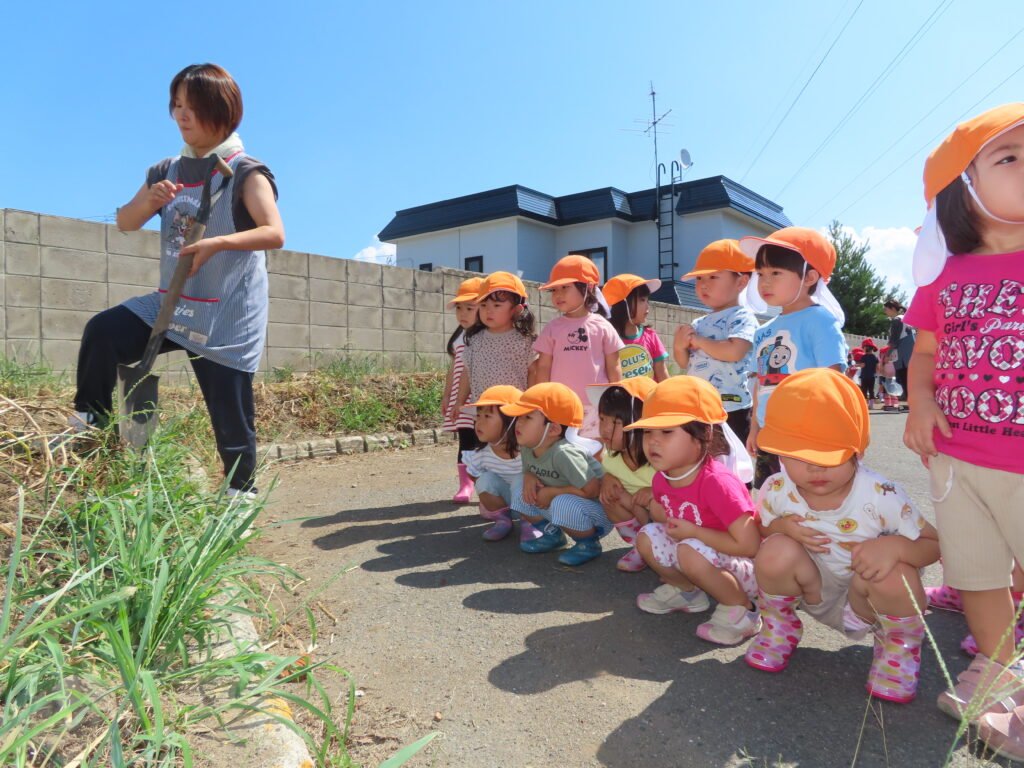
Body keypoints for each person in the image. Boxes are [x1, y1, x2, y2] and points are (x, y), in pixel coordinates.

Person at [73, 63, 284, 495]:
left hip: (226, 313)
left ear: (222, 110)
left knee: (230, 414)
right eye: (176, 105)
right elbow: (126, 222)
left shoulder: (246, 171)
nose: (180, 115)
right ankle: (89, 426)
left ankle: (239, 498)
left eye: (192, 106)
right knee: (103, 332)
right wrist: (149, 200)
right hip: (174, 302)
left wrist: (216, 244)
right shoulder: (165, 170)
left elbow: (274, 232)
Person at [902, 103, 1024, 758]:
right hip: (954, 458)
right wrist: (919, 404)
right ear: (962, 190)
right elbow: (923, 355)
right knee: (977, 574)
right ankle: (1001, 677)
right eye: (1010, 156)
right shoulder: (942, 277)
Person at [746, 369, 939, 704]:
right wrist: (782, 528)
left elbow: (934, 544)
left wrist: (894, 547)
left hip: (869, 599)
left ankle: (899, 649)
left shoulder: (880, 494)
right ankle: (779, 626)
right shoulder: (777, 488)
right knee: (774, 549)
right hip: (814, 592)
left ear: (857, 450)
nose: (814, 468)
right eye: (798, 456)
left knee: (897, 574)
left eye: (828, 455)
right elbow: (761, 527)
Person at [629, 376, 762, 645]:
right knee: (647, 536)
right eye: (648, 432)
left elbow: (750, 545)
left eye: (666, 432)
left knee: (688, 549)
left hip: (744, 568)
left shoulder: (718, 483)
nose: (653, 442)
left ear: (705, 435)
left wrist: (694, 533)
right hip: (698, 554)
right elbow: (671, 521)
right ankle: (687, 591)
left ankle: (742, 610)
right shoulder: (662, 478)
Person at [741, 227, 848, 488]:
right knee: (771, 498)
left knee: (809, 499)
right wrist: (755, 427)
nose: (764, 282)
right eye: (760, 274)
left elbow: (833, 379)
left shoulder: (820, 321)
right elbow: (761, 383)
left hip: (807, 434)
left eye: (776, 273)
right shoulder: (763, 330)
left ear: (810, 276)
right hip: (770, 433)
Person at [504, 383, 611, 566]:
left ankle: (588, 543)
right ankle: (553, 536)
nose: (518, 423)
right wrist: (529, 477)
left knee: (563, 503)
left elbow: (593, 490)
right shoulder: (530, 447)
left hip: (598, 512)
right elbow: (529, 471)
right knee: (520, 487)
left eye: (527, 417)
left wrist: (553, 492)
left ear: (553, 429)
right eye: (519, 417)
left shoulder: (564, 453)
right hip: (567, 503)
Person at [673, 239, 758, 446]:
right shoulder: (698, 322)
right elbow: (685, 363)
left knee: (734, 463)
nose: (703, 284)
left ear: (741, 282)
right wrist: (679, 346)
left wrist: (699, 341)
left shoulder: (742, 317)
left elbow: (735, 351)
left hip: (731, 408)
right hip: (699, 407)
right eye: (699, 278)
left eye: (713, 277)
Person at [533, 255, 624, 439]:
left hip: (596, 405)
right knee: (561, 451)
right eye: (554, 290)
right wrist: (542, 400)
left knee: (596, 451)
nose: (558, 295)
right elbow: (543, 367)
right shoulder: (552, 328)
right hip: (559, 406)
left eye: (565, 287)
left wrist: (617, 399)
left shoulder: (603, 325)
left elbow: (614, 365)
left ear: (588, 288)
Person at [589, 377, 658, 572]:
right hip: (642, 514)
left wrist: (655, 490)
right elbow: (605, 475)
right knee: (609, 495)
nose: (605, 428)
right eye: (602, 419)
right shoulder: (609, 457)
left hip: (671, 523)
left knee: (657, 503)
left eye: (617, 422)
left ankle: (664, 552)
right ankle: (641, 548)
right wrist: (608, 478)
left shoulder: (661, 459)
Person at [461, 385, 539, 542]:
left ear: (512, 421)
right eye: (478, 416)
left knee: (520, 479)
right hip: (507, 505)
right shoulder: (480, 454)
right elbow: (474, 475)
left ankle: (531, 523)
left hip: (534, 506)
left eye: (487, 416)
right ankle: (503, 520)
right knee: (484, 479)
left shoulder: (529, 450)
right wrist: (489, 500)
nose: (479, 423)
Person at [457, 270, 537, 421]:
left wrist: (531, 404)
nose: (488, 310)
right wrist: (459, 402)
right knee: (487, 444)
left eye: (497, 305)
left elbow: (534, 374)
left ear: (516, 310)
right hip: (482, 412)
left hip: (514, 411)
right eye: (483, 304)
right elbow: (467, 373)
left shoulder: (525, 341)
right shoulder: (475, 340)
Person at [443, 277, 483, 503]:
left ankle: (489, 485)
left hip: (478, 397)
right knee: (465, 439)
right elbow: (453, 369)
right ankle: (465, 485)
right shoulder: (459, 336)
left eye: (470, 307)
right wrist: (447, 395)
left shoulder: (484, 335)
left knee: (485, 440)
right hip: (460, 398)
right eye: (459, 308)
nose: (463, 313)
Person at [604, 274, 669, 381]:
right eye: (642, 300)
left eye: (647, 300)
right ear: (623, 304)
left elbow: (662, 373)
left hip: (649, 397)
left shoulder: (651, 336)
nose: (647, 306)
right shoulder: (607, 339)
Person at [884, 299, 915, 403]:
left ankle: (907, 398)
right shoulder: (906, 318)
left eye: (886, 309)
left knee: (902, 374)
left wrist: (887, 354)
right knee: (910, 374)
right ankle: (910, 398)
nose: (885, 312)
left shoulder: (897, 320)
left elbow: (894, 340)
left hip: (902, 351)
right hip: (910, 349)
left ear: (892, 309)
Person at [859, 340, 879, 408]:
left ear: (866, 348)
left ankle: (864, 404)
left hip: (864, 376)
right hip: (872, 376)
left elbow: (862, 365)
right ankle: (871, 405)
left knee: (864, 390)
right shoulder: (874, 357)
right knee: (871, 390)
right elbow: (877, 367)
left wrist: (856, 365)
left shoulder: (863, 357)